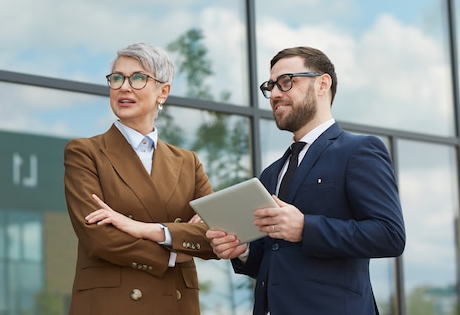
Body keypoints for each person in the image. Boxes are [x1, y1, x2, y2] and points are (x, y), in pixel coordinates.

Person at [206, 46, 406, 315]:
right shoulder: (271, 173)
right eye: (270, 86)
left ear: (323, 84)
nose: (275, 93)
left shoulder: (359, 150)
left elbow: (389, 235)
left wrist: (305, 227)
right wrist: (242, 251)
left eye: (287, 81)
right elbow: (272, 259)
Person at [63, 42, 217, 315]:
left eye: (137, 78)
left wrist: (148, 230)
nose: (124, 87)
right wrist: (174, 252)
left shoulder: (188, 162)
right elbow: (99, 237)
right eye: (117, 78)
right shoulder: (85, 153)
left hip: (177, 303)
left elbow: (215, 234)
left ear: (163, 91)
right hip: (112, 305)